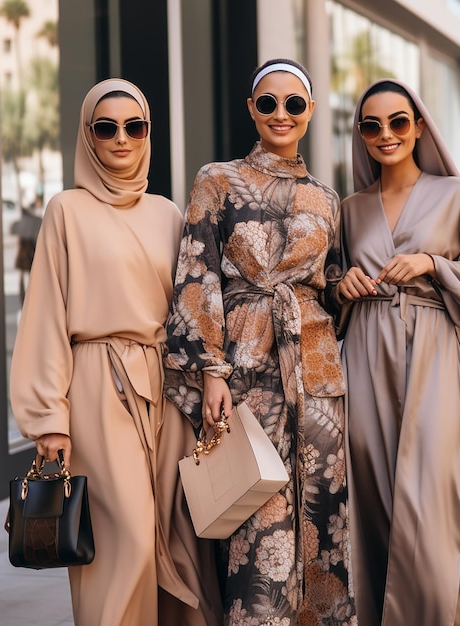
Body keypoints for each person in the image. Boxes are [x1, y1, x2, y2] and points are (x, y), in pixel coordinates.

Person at [9, 78, 221, 626]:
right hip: (98, 390)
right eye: (107, 128)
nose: (122, 139)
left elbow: (194, 310)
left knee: (173, 535)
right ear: (88, 136)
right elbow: (46, 316)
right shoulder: (66, 211)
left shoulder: (170, 214)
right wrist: (49, 419)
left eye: (136, 126)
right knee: (124, 532)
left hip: (168, 391)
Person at [163, 58, 356, 624]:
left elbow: (331, 282)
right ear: (251, 108)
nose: (280, 113)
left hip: (318, 379)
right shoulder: (216, 179)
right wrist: (211, 371)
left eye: (293, 104)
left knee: (324, 520)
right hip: (248, 373)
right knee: (258, 523)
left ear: (310, 113)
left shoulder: (327, 196)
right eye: (268, 102)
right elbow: (196, 275)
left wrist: (356, 287)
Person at [336, 78, 460, 625]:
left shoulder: (455, 194)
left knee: (440, 497)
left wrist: (434, 265)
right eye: (372, 124)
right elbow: (327, 286)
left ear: (418, 125)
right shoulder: (349, 209)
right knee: (375, 497)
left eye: (398, 121)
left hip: (435, 357)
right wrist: (341, 285)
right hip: (365, 358)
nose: (385, 134)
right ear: (361, 134)